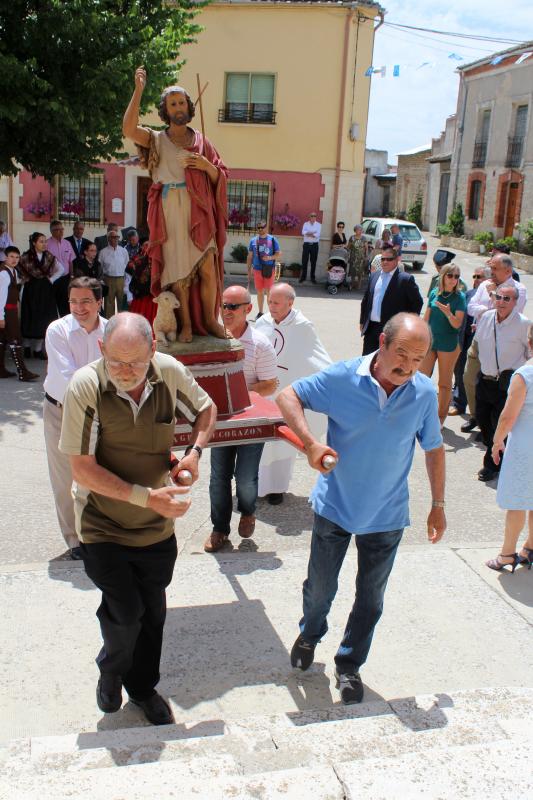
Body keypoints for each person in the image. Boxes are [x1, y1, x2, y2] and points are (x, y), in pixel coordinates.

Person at [277, 313, 445, 704]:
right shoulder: (342, 378)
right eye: (402, 353)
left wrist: (437, 504)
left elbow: (434, 448)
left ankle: (349, 664)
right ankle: (310, 632)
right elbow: (288, 397)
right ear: (381, 344)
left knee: (370, 598)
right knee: (320, 589)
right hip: (335, 507)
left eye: (418, 359)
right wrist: (310, 444)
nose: (408, 365)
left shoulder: (422, 393)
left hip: (387, 516)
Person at [59, 312, 217, 724]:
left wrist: (194, 455)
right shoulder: (86, 387)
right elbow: (82, 468)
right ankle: (111, 671)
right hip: (101, 524)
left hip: (155, 529)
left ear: (154, 350)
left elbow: (207, 410)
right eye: (116, 362)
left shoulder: (170, 373)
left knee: (152, 613)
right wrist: (148, 498)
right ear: (100, 351)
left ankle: (143, 688)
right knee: (125, 610)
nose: (126, 373)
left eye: (136, 362)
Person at [123, 66, 228, 343]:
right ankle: (186, 325)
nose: (178, 107)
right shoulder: (157, 140)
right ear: (165, 110)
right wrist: (138, 91)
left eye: (182, 102)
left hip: (199, 209)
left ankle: (208, 319)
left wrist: (206, 166)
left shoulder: (204, 142)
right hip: (170, 209)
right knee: (178, 273)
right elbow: (129, 129)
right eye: (173, 103)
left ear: (188, 107)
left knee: (207, 267)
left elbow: (221, 176)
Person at [204, 285, 277, 553]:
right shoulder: (212, 341)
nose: (226, 311)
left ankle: (247, 511)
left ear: (248, 309)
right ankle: (219, 529)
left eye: (233, 307)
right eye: (223, 306)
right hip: (220, 420)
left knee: (245, 478)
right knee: (218, 478)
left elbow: (270, 385)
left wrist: (239, 394)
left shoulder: (260, 344)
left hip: (250, 421)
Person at [44, 277, 108, 559]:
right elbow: (69, 378)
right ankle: (74, 540)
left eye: (86, 301)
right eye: (73, 301)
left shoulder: (113, 331)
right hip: (61, 411)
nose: (79, 308)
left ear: (99, 302)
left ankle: (94, 534)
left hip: (101, 414)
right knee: (63, 478)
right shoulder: (58, 330)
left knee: (95, 478)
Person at [255, 283, 331, 504]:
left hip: (288, 392)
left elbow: (318, 358)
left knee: (284, 440)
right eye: (269, 301)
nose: (272, 306)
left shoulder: (302, 326)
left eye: (276, 303)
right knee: (262, 439)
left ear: (290, 303)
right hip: (264, 392)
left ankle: (277, 488)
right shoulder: (262, 322)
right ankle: (254, 485)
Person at [461, 253, 527, 434]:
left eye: (495, 269)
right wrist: (486, 309)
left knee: (495, 384)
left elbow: (509, 314)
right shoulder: (484, 284)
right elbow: (471, 307)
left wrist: (493, 297)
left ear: (508, 270)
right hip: (480, 338)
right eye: (491, 268)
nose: (491, 272)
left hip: (503, 343)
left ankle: (492, 425)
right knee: (468, 377)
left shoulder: (518, 289)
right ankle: (477, 416)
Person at [488, 324, 533, 572]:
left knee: (517, 500)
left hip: (526, 446)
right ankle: (530, 548)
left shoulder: (524, 375)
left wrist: (497, 441)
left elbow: (508, 417)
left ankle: (507, 554)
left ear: (530, 342)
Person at [473, 286, 530, 481]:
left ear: (515, 302)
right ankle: (495, 448)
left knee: (500, 422)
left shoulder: (523, 324)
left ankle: (492, 463)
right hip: (485, 379)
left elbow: (529, 352)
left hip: (506, 384)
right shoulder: (487, 317)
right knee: (482, 419)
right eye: (499, 297)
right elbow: (479, 342)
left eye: (507, 299)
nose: (502, 302)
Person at [420, 264, 466, 426]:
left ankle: (440, 418)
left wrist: (448, 313)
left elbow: (457, 325)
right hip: (431, 342)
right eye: (451, 275)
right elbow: (426, 319)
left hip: (448, 344)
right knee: (421, 378)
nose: (454, 279)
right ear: (443, 276)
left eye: (457, 276)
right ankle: (420, 412)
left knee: (444, 383)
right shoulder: (434, 293)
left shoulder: (460, 297)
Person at [360, 245, 423, 355]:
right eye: (382, 259)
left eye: (389, 259)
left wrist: (407, 325)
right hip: (371, 329)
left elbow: (417, 303)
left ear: (396, 260)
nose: (385, 262)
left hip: (392, 331)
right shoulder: (374, 276)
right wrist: (362, 321)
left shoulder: (405, 279)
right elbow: (366, 300)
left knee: (388, 365)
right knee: (367, 363)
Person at [449, 266, 490, 417]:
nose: (476, 280)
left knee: (476, 377)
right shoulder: (467, 295)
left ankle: (478, 413)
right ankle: (460, 404)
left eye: (479, 277)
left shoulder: (491, 297)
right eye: (474, 276)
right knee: (460, 372)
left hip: (481, 342)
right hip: (464, 338)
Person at [18, 232, 61, 359]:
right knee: (30, 316)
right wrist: (22, 281)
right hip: (30, 289)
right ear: (34, 243)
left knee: (43, 318)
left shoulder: (49, 256)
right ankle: (26, 347)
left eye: (45, 241)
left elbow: (61, 269)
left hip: (45, 290)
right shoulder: (25, 257)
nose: (44, 244)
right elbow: (18, 272)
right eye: (41, 241)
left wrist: (51, 279)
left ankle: (37, 349)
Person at [0, 246, 38, 381]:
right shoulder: (4, 273)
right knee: (15, 339)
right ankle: (23, 372)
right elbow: (1, 296)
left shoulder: (14, 271)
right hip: (6, 311)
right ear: (5, 257)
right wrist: (1, 317)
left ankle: (1, 370)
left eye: (17, 257)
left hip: (11, 310)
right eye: (11, 257)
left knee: (3, 340)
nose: (14, 259)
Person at [246, 220, 281, 319]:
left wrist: (269, 258)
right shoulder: (253, 240)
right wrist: (248, 271)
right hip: (257, 269)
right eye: (259, 228)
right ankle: (260, 312)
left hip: (269, 269)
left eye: (262, 227)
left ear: (266, 227)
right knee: (260, 291)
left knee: (269, 292)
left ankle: (271, 313)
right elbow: (250, 256)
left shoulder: (273, 239)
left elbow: (278, 253)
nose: (260, 229)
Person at [46, 219, 76, 316]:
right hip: (53, 279)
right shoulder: (46, 244)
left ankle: (66, 327)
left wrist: (71, 277)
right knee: (51, 305)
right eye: (57, 229)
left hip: (65, 279)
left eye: (62, 229)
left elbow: (70, 261)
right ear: (52, 231)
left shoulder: (67, 243)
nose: (61, 231)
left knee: (65, 305)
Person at [99, 229, 129, 318]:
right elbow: (100, 266)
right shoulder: (103, 252)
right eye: (113, 237)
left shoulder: (123, 251)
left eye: (117, 237)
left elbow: (126, 262)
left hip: (120, 279)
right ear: (108, 239)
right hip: (108, 279)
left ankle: (122, 321)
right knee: (109, 302)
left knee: (122, 301)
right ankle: (109, 322)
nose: (116, 239)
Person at [128, 240, 157, 327]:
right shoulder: (138, 259)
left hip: (151, 295)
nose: (146, 248)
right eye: (145, 246)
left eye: (148, 246)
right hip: (141, 295)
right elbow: (134, 275)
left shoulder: (156, 261)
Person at [300, 212, 321, 284]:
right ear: (309, 217)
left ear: (316, 217)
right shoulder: (305, 224)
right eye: (312, 216)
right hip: (306, 245)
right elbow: (303, 232)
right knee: (304, 261)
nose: (313, 217)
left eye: (314, 216)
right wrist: (312, 233)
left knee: (313, 262)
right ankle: (303, 277)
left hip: (314, 245)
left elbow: (317, 234)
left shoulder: (319, 225)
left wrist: (308, 233)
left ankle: (312, 278)